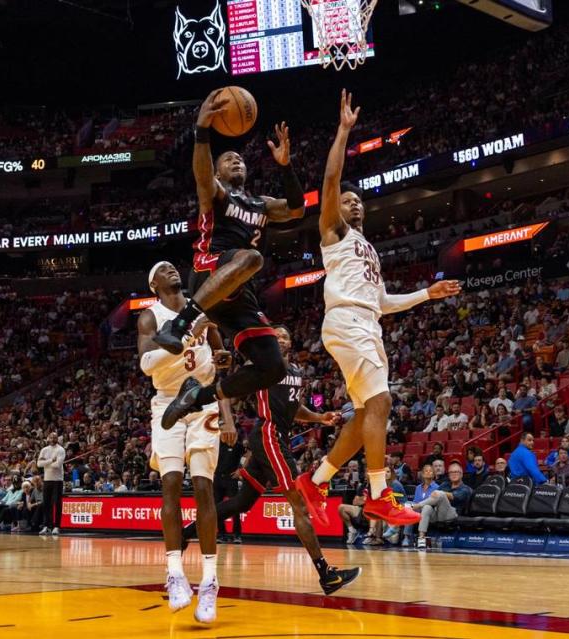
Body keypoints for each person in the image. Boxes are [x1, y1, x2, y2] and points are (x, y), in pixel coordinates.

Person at [296, 90, 462, 527]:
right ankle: (378, 494)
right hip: (347, 320)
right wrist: (343, 132)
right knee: (383, 401)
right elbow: (331, 182)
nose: (354, 203)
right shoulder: (333, 231)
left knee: (368, 413)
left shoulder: (368, 248)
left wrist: (428, 293)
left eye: (358, 201)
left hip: (366, 322)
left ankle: (315, 480)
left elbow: (384, 302)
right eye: (348, 200)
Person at [154, 91, 305, 438]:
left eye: (240, 158)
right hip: (208, 272)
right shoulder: (218, 193)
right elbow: (202, 176)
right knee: (252, 257)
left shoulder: (261, 204)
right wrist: (202, 131)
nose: (236, 161)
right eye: (228, 159)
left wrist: (286, 166)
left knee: (273, 367)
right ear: (219, 171)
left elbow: (296, 210)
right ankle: (180, 324)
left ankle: (197, 395)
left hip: (239, 294)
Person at [181, 326, 361, 595]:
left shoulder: (297, 373)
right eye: (274, 336)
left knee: (244, 502)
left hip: (276, 438)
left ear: (290, 343)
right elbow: (227, 390)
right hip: (268, 436)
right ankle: (326, 575)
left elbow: (294, 408)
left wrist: (320, 417)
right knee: (298, 502)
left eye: (284, 336)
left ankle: (186, 532)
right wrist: (227, 420)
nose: (279, 339)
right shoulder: (262, 367)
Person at [138, 261, 236, 622]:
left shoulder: (202, 309)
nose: (170, 270)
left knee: (203, 486)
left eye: (172, 267)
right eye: (162, 270)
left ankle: (210, 581)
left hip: (204, 401)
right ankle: (175, 573)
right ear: (154, 285)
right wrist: (181, 342)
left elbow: (220, 362)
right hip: (167, 403)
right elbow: (147, 364)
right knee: (171, 483)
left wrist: (226, 410)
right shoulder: (150, 317)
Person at [415, 463, 470, 547]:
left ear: (461, 474)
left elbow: (453, 496)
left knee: (440, 493)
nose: (454, 474)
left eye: (456, 472)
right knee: (427, 507)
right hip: (439, 513)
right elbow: (434, 496)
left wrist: (441, 493)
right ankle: (421, 538)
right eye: (451, 472)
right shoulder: (445, 485)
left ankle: (417, 506)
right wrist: (436, 494)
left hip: (452, 514)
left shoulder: (465, 489)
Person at [36, 432, 66, 535]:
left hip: (57, 479)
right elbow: (39, 464)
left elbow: (58, 465)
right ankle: (46, 526)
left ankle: (56, 526)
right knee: (46, 504)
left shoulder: (60, 449)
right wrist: (50, 461)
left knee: (57, 503)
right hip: (47, 479)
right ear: (48, 438)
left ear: (57, 438)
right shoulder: (44, 450)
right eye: (51, 437)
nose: (53, 438)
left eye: (55, 437)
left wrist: (46, 463)